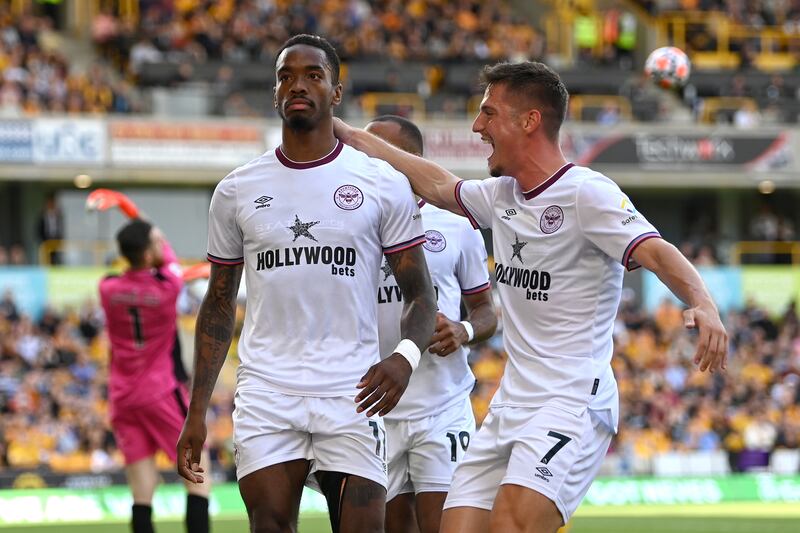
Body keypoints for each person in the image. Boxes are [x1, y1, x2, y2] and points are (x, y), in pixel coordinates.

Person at [334, 61, 728, 533]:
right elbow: (437, 184)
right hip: (510, 405)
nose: (477, 127)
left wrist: (702, 302)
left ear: (529, 121)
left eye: (488, 114)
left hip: (571, 402)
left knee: (512, 527)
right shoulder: (502, 195)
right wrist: (347, 133)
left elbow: (657, 252)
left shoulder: (587, 194)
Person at [176, 35, 437, 533]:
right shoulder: (236, 190)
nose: (297, 84)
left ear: (335, 93)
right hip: (268, 390)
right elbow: (218, 303)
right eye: (286, 76)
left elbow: (421, 295)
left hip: (352, 390)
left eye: (313, 75)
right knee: (270, 526)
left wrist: (404, 358)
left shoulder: (381, 182)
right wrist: (196, 411)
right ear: (275, 93)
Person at [366, 115, 497, 533]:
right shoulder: (349, 222)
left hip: (442, 409)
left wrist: (464, 330)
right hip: (375, 408)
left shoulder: (457, 225)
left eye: (377, 152)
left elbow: (486, 311)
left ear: (411, 158)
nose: (366, 161)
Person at [96, 191, 210, 533]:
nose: (163, 243)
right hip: (160, 391)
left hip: (123, 397)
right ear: (149, 253)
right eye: (157, 241)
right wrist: (126, 206)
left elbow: (149, 250)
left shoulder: (108, 287)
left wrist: (127, 210)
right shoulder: (168, 286)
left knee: (141, 491)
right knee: (198, 479)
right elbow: (167, 254)